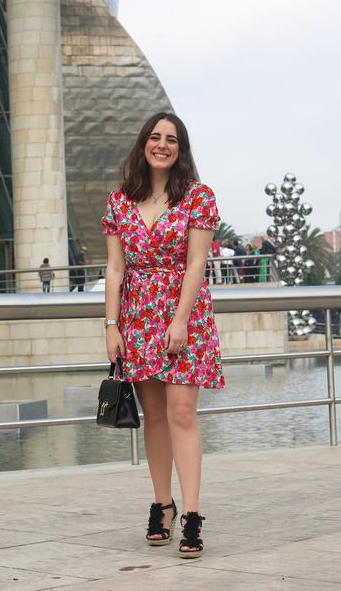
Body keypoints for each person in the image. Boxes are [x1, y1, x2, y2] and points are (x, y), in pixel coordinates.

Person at [101, 112, 225, 559]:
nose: (162, 145)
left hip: (183, 313)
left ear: (181, 148)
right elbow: (115, 269)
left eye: (171, 139)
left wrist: (179, 319)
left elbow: (196, 264)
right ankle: (162, 505)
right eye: (155, 137)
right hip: (136, 315)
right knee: (153, 414)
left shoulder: (197, 197)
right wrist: (111, 326)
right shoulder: (120, 202)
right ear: (143, 144)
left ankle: (192, 515)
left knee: (182, 412)